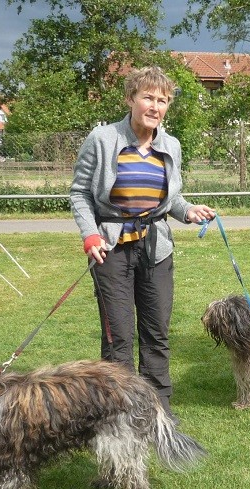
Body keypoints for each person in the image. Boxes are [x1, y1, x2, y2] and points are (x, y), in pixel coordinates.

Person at [70, 66, 215, 423]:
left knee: (156, 332)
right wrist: (90, 235)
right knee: (118, 338)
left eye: (162, 100)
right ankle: (117, 412)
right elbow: (79, 192)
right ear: (131, 99)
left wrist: (189, 210)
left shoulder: (172, 146)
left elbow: (171, 200)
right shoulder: (102, 139)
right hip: (111, 249)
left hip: (156, 250)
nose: (155, 105)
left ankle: (157, 410)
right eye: (148, 97)